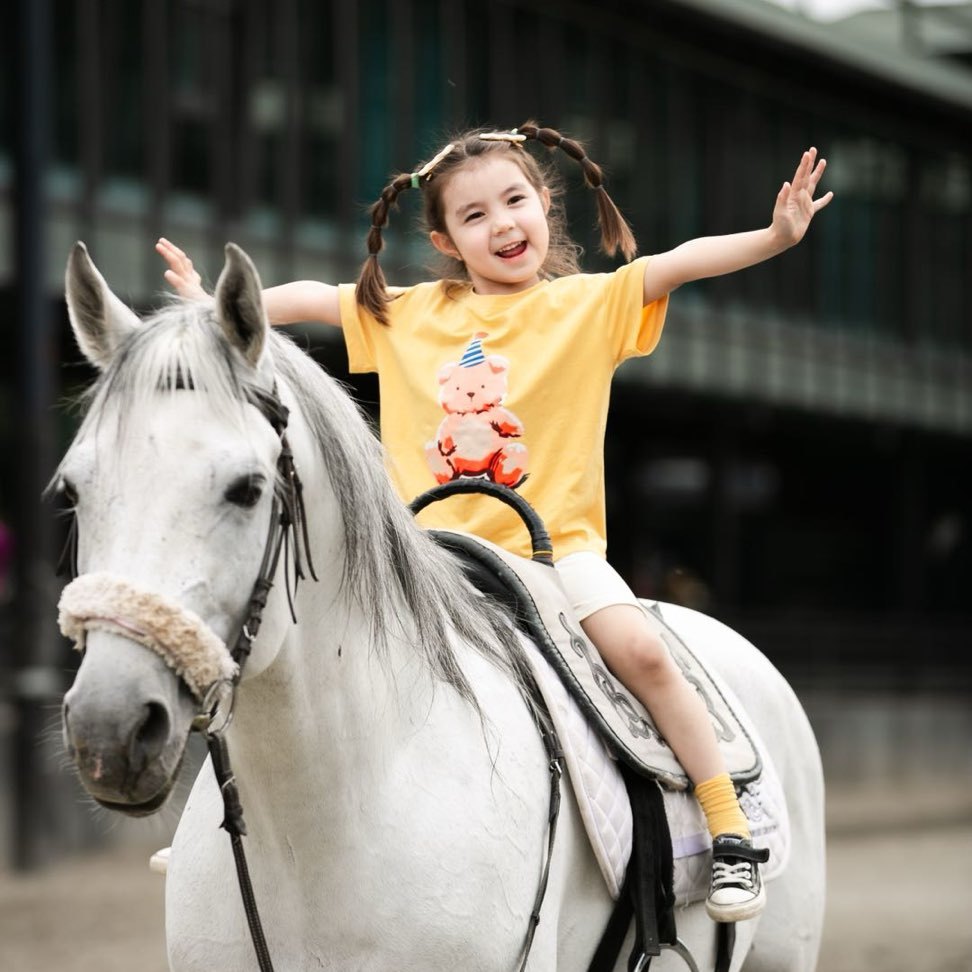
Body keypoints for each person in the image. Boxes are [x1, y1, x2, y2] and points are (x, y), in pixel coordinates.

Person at [157, 122, 832, 922]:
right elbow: (309, 300)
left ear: (545, 205)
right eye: (474, 216)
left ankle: (727, 827)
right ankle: (227, 820)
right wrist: (213, 310)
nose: (502, 223)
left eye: (515, 200)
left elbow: (679, 261)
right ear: (445, 239)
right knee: (282, 644)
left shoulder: (589, 304)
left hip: (553, 559)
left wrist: (774, 235)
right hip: (419, 563)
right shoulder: (407, 312)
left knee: (644, 652)